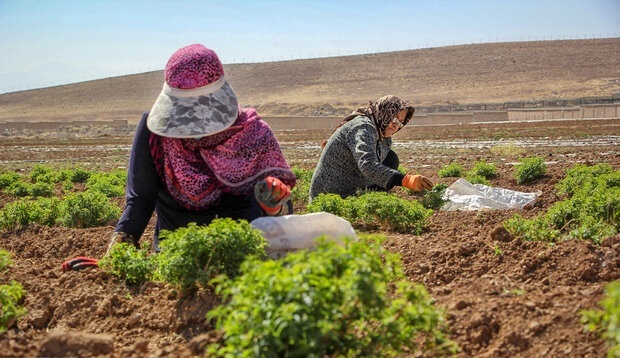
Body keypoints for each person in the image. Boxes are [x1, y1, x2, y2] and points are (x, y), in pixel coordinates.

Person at [109, 43, 296, 252]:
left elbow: (280, 208)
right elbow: (140, 199)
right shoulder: (155, 133)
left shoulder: (253, 134)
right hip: (176, 257)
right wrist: (117, 254)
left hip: (242, 254)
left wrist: (273, 204)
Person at [309, 95, 432, 201]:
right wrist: (405, 180)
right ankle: (361, 200)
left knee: (390, 159)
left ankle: (368, 198)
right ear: (384, 112)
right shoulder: (363, 127)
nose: (396, 125)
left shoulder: (383, 136)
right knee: (389, 161)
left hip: (352, 182)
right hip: (330, 191)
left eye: (400, 122)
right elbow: (367, 164)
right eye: (393, 118)